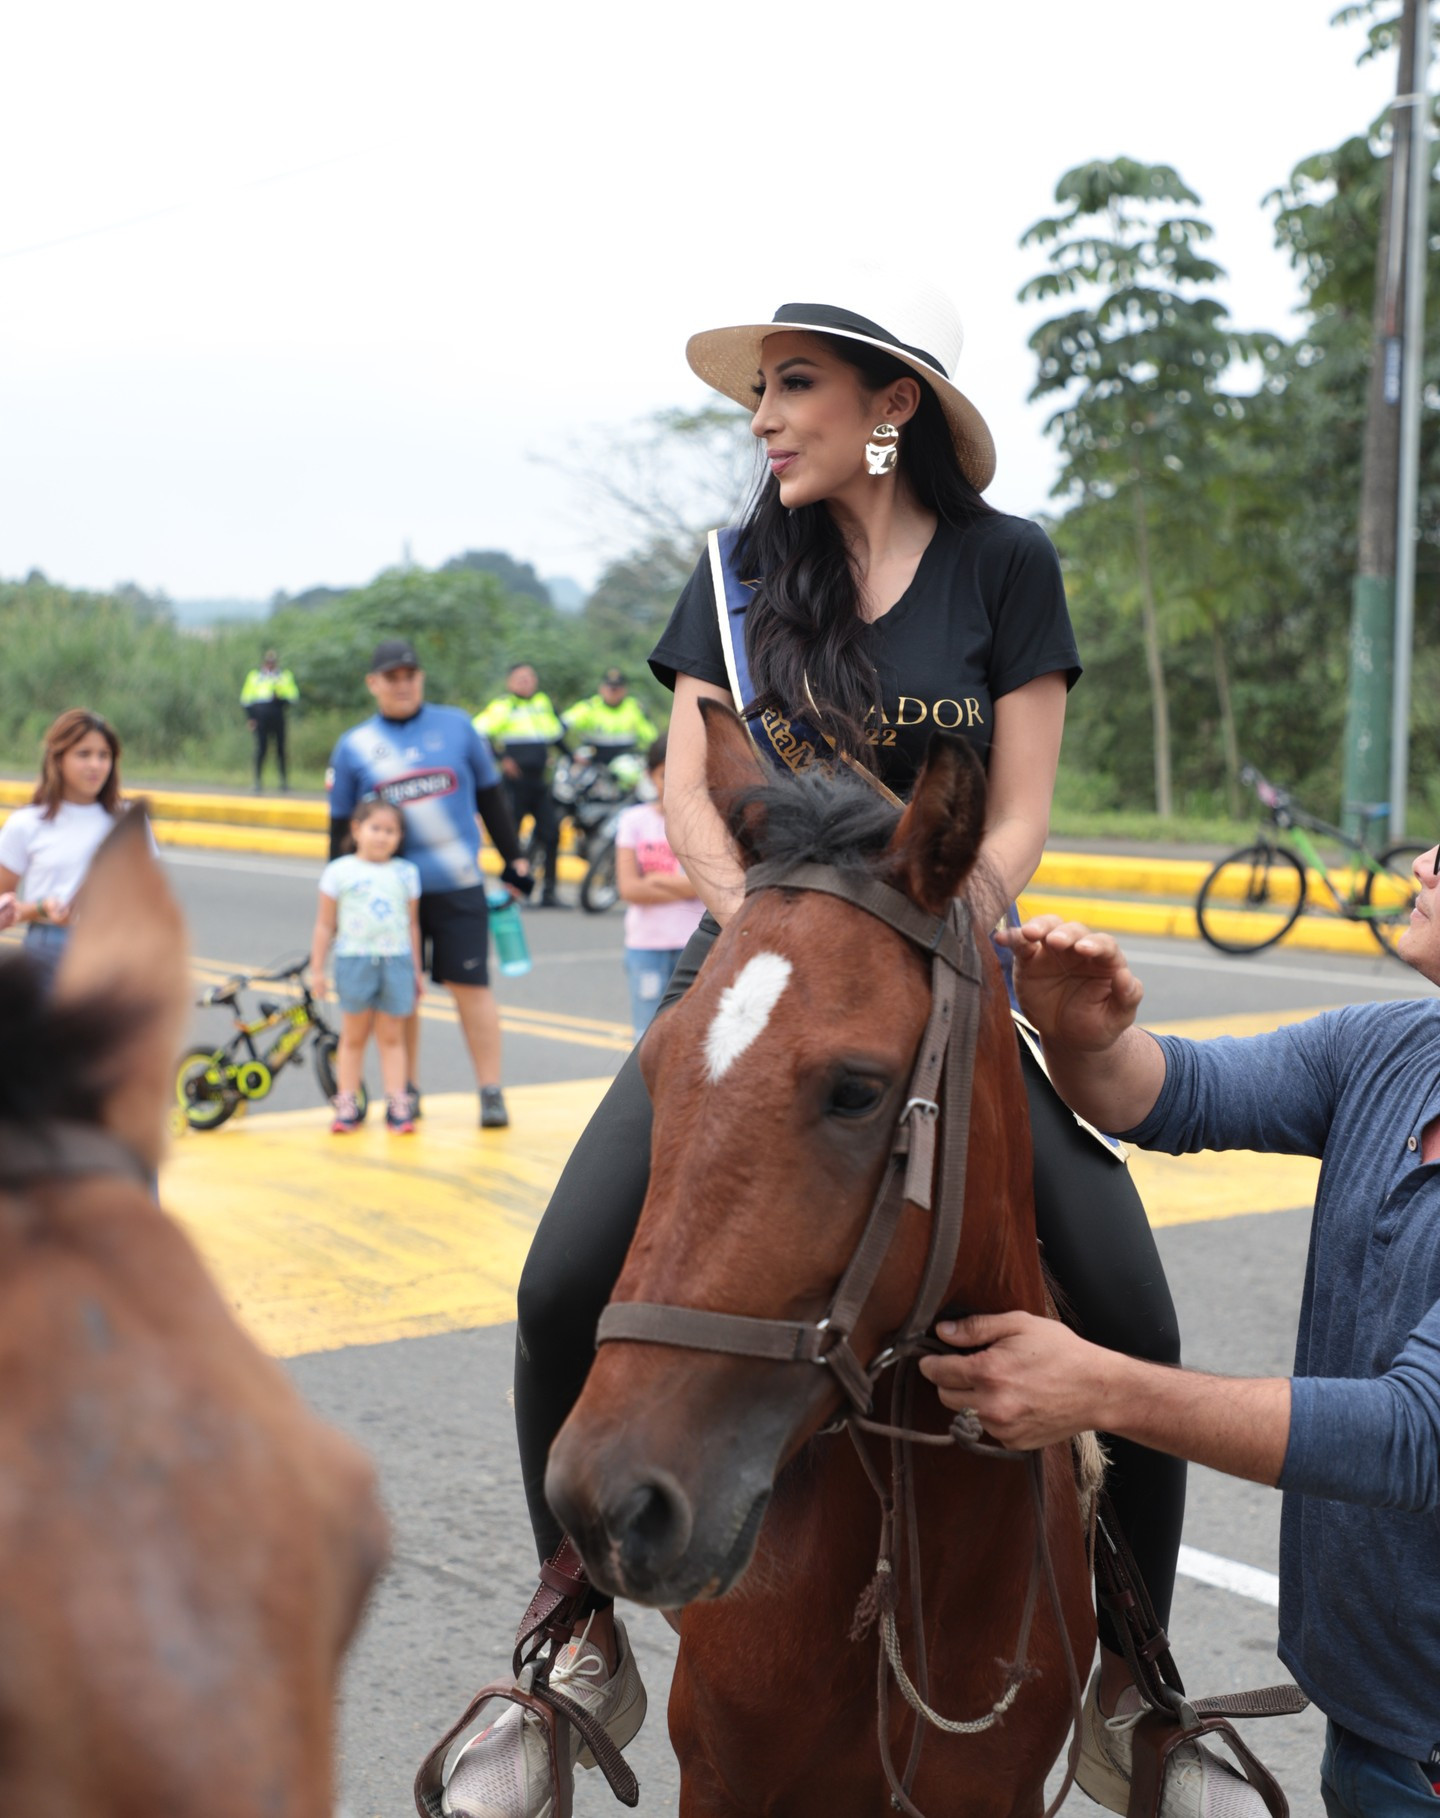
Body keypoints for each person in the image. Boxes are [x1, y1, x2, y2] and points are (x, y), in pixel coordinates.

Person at [433, 273, 1190, 1818]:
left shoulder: (1004, 566)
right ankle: (574, 1621)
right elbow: (688, 787)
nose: (765, 419)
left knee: (1130, 1308)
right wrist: (768, 926)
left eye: (794, 388)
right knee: (559, 1281)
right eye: (760, 394)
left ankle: (1136, 1671)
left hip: (941, 968)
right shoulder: (729, 570)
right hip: (757, 972)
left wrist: (918, 930)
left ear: (890, 403)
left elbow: (1023, 805)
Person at [921, 895, 1440, 1818]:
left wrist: (1099, 1386)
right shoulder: (1401, 1045)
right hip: (1375, 1715)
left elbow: (1414, 1436)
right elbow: (1175, 1090)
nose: (1423, 862)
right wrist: (1087, 1040)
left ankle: (1128, 1685)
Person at [326, 640, 531, 1131]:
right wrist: (337, 899)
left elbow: (491, 799)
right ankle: (406, 1092)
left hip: (458, 884)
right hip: (389, 896)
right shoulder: (354, 746)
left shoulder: (458, 727)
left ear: (420, 678)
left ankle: (490, 1090)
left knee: (471, 987)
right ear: (373, 683)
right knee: (405, 993)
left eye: (410, 675)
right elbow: (339, 830)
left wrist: (515, 860)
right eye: (391, 677)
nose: (402, 684)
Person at [309, 797, 423, 1135]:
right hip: (353, 960)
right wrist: (318, 968)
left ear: (400, 837)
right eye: (375, 828)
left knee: (392, 1037)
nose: (382, 837)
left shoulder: (406, 873)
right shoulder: (339, 871)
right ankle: (347, 1104)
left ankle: (398, 1105)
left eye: (391, 831)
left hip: (396, 961)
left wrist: (416, 970)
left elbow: (412, 925)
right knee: (353, 1037)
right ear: (356, 829)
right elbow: (325, 925)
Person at [0, 708, 128, 990]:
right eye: (84, 754)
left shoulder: (127, 822)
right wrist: (41, 908)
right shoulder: (27, 824)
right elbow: (4, 908)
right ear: (57, 759)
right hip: (50, 951)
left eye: (103, 755)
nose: (95, 765)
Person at [613, 734, 704, 1039]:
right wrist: (688, 884)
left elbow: (712, 884)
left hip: (696, 946)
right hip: (645, 947)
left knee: (693, 1035)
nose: (674, 781)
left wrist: (655, 881)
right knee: (646, 1036)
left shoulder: (708, 822)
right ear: (650, 775)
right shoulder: (633, 820)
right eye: (665, 774)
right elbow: (629, 889)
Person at [474, 663, 567, 908]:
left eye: (529, 677)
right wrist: (501, 758)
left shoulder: (542, 704)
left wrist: (573, 756)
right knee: (510, 837)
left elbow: (557, 736)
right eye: (520, 678)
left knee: (552, 833)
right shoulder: (502, 706)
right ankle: (513, 892)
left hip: (539, 782)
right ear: (510, 682)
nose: (526, 682)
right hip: (515, 784)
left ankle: (549, 893)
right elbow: (478, 733)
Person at [561, 668, 658, 782]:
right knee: (568, 771)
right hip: (593, 756)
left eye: (617, 688)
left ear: (625, 690)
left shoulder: (634, 708)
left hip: (624, 759)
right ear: (601, 688)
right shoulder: (590, 706)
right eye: (610, 688)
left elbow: (652, 738)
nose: (613, 692)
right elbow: (560, 725)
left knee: (632, 773)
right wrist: (570, 753)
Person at [240, 649, 299, 792]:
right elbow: (246, 699)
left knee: (281, 749)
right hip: (260, 716)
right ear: (264, 662)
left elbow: (294, 697)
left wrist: (281, 698)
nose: (270, 664)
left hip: (278, 713)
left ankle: (283, 782)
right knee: (261, 749)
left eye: (273, 662)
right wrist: (251, 718)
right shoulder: (255, 677)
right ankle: (257, 781)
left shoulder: (284, 676)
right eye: (268, 662)